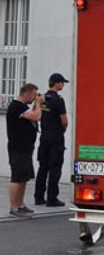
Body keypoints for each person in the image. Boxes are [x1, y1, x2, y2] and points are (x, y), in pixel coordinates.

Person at [7, 83, 42, 218]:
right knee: (16, 177)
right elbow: (36, 116)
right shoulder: (16, 106)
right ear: (27, 93)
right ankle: (14, 207)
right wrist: (38, 104)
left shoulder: (23, 107)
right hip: (18, 148)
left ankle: (20, 204)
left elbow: (34, 115)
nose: (34, 99)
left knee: (23, 177)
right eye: (34, 95)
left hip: (26, 148)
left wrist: (36, 105)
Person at [34, 73, 69, 207]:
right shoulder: (58, 100)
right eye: (62, 83)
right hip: (56, 136)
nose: (63, 85)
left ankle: (38, 197)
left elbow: (37, 114)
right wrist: (62, 131)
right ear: (57, 83)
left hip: (44, 135)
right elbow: (64, 121)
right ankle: (52, 198)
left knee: (43, 167)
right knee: (55, 167)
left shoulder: (42, 98)